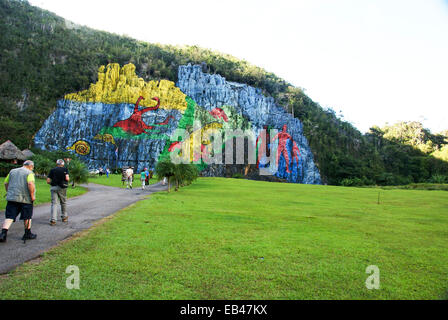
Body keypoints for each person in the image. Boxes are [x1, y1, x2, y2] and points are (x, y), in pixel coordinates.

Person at [0, 160, 37, 243]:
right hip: (25, 198)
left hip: (12, 197)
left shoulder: (12, 171)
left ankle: (3, 233)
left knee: (9, 216)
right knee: (27, 216)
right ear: (31, 166)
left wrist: (8, 191)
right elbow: (30, 184)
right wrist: (32, 195)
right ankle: (27, 233)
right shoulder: (29, 173)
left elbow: (6, 182)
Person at [47, 159, 70, 225]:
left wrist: (53, 183)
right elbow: (67, 178)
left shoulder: (52, 170)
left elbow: (48, 181)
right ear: (63, 164)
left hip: (53, 187)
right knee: (63, 202)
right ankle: (64, 217)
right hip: (62, 187)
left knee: (54, 203)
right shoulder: (65, 170)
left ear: (56, 164)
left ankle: (53, 219)